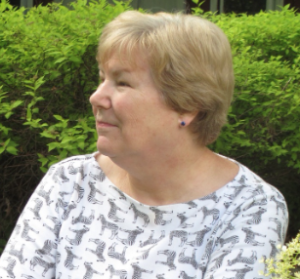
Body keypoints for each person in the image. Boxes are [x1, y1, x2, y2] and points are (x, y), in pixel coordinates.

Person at [0, 11, 288, 279]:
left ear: (187, 105)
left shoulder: (248, 207)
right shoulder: (70, 183)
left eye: (122, 83)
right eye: (102, 79)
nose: (96, 98)